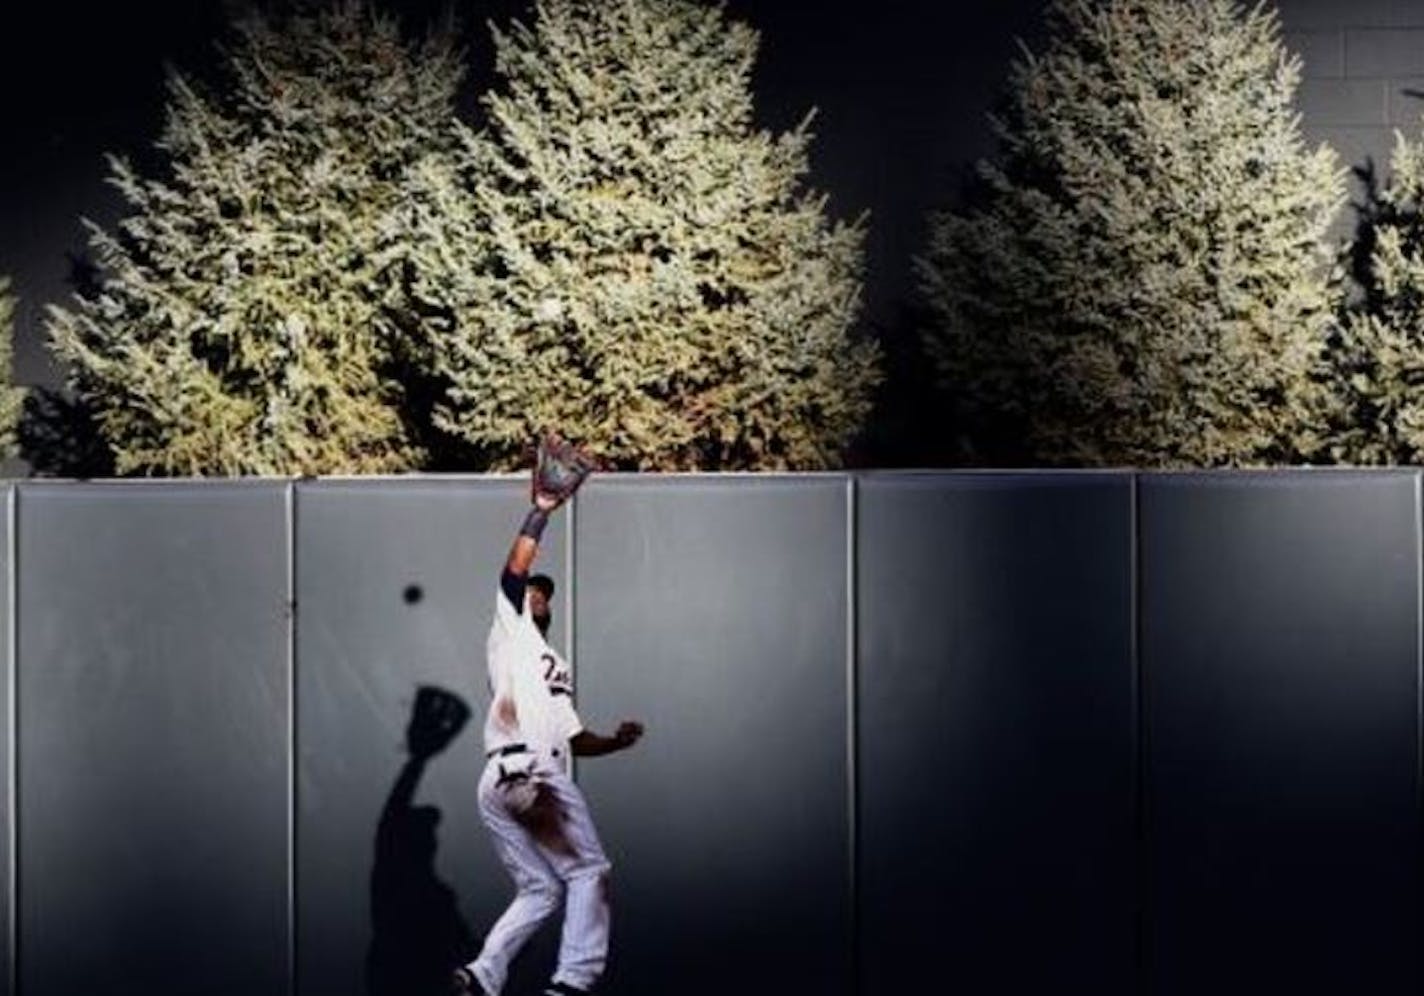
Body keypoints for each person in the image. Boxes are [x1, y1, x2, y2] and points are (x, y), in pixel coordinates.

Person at [454, 454, 644, 996]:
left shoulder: (555, 663)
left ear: (551, 606)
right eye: (533, 590)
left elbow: (574, 737)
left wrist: (615, 741)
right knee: (589, 871)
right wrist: (539, 512)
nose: (538, 595)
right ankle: (572, 983)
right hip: (521, 772)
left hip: (507, 780)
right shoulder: (509, 631)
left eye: (545, 593)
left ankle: (482, 975)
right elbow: (512, 572)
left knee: (540, 888)